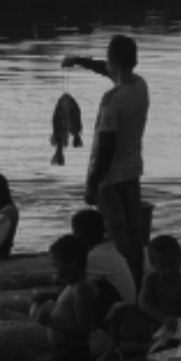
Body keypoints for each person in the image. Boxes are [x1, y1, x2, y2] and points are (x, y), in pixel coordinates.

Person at [66, 34, 150, 292]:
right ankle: (139, 283)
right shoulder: (140, 86)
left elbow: (106, 148)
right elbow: (109, 70)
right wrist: (80, 61)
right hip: (133, 171)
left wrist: (92, 184)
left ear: (112, 60)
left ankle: (126, 288)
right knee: (135, 232)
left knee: (117, 233)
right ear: (134, 61)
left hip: (109, 178)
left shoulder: (111, 101)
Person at [107, 234, 181, 355]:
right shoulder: (150, 279)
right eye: (162, 267)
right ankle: (113, 347)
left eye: (173, 265)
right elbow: (143, 303)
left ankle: (139, 348)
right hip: (149, 322)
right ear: (153, 264)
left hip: (171, 328)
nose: (169, 270)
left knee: (179, 339)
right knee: (117, 309)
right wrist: (162, 318)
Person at [69, 207, 136, 310]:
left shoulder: (93, 258)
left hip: (118, 312)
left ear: (77, 235)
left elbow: (68, 281)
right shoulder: (109, 250)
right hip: (124, 306)